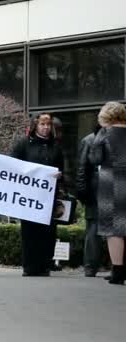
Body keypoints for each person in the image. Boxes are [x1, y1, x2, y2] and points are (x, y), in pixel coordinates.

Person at [12, 113, 64, 277]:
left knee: (48, 232)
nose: (46, 128)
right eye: (43, 124)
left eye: (48, 125)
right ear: (36, 125)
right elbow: (12, 165)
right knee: (30, 231)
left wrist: (60, 176)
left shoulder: (55, 146)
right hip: (28, 196)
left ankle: (45, 265)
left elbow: (62, 168)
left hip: (49, 196)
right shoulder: (24, 144)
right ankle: (30, 266)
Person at [89, 101, 126, 285]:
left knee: (114, 229)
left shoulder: (104, 133)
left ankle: (118, 271)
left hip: (110, 182)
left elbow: (94, 157)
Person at [76, 124, 103, 277]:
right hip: (96, 190)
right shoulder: (89, 140)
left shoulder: (90, 139)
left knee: (94, 226)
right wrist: (83, 193)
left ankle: (91, 267)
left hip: (99, 188)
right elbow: (82, 168)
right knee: (94, 227)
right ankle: (91, 266)